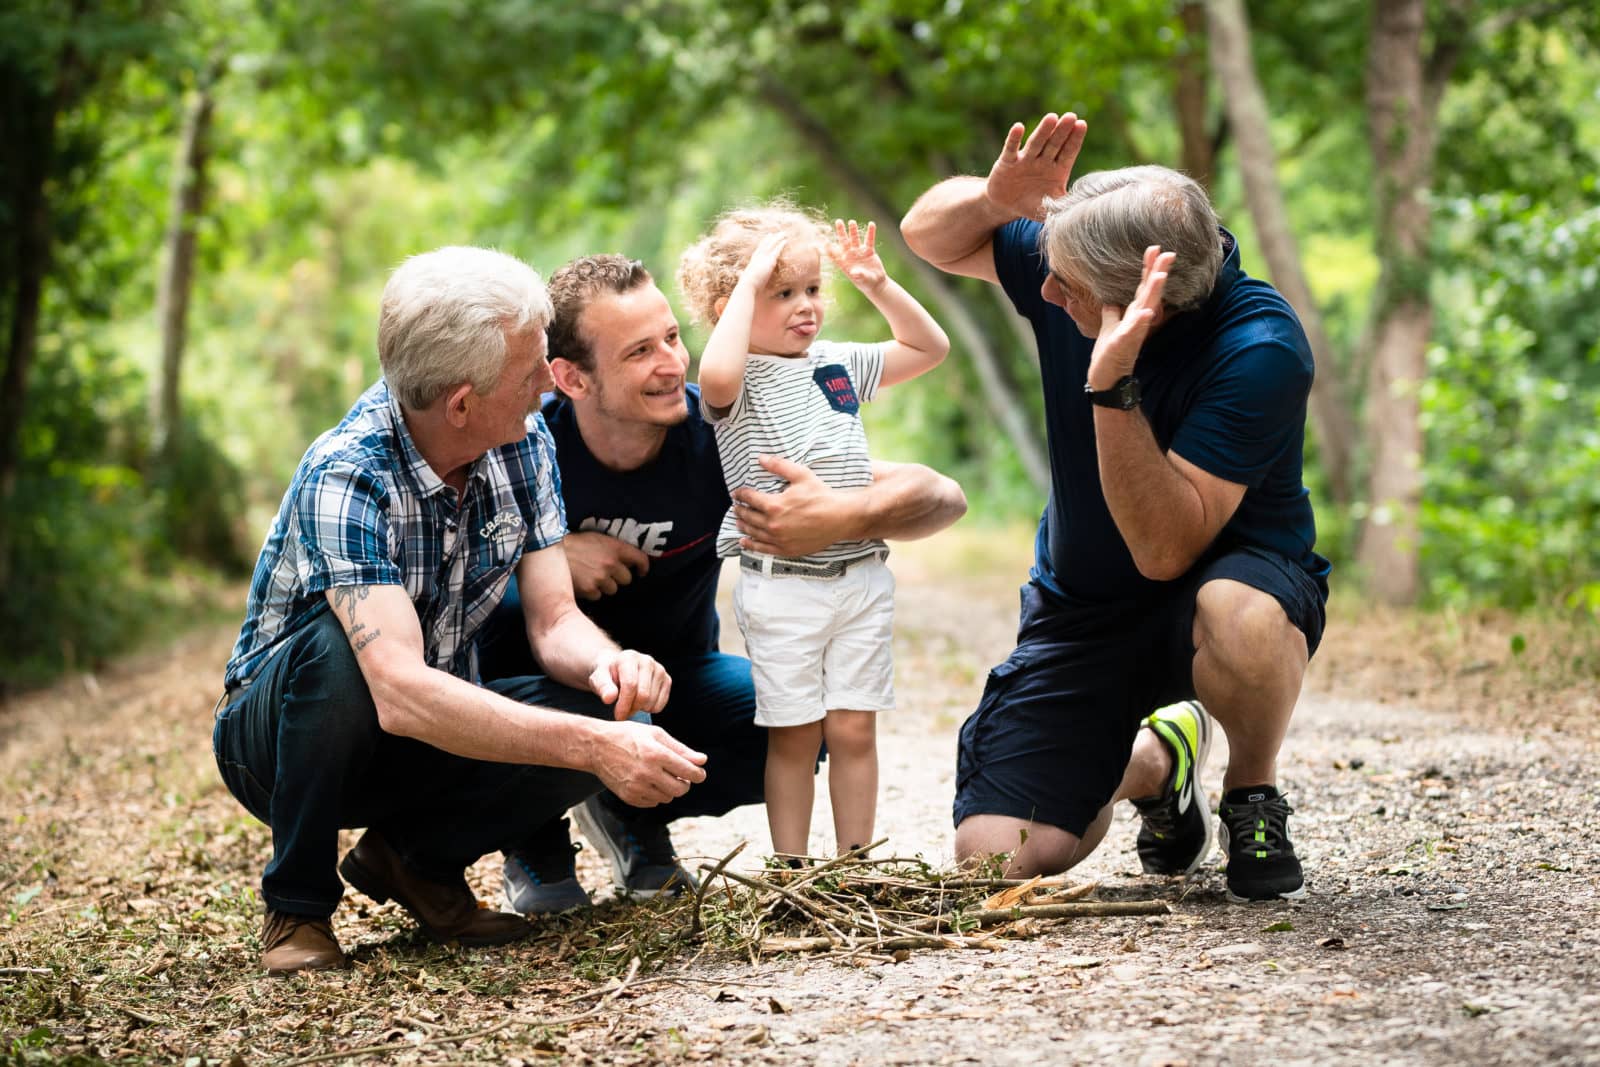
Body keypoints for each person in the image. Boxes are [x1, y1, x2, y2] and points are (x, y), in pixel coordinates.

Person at [214, 246, 707, 976]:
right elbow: (399, 689)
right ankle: (297, 906)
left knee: (608, 708)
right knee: (337, 646)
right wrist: (591, 752)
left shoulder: (521, 438)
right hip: (289, 737)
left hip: (423, 727)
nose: (549, 380)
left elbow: (553, 619)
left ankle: (415, 862)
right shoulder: (347, 473)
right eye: (531, 369)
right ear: (461, 402)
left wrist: (610, 666)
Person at [901, 113, 1330, 902]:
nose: (1046, 290)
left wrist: (1110, 383)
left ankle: (1252, 792)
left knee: (1235, 611)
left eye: (1067, 287)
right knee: (996, 857)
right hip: (1086, 607)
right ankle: (1160, 762)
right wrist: (998, 200)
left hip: (1223, 587)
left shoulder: (1260, 349)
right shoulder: (1085, 257)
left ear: (1148, 303)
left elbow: (1166, 550)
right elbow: (926, 234)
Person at [480, 252, 965, 907]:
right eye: (639, 352)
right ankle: (532, 832)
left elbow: (942, 495)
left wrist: (845, 512)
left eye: (673, 338)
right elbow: (443, 561)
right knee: (557, 686)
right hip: (540, 687)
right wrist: (549, 549)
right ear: (571, 378)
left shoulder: (721, 436)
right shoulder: (524, 444)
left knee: (796, 719)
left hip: (679, 677)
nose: (673, 364)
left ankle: (631, 815)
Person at [679, 203, 950, 862]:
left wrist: (877, 285)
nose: (805, 306)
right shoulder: (733, 378)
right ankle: (792, 870)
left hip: (859, 577)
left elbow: (928, 348)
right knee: (795, 734)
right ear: (730, 307)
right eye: (783, 292)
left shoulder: (836, 364)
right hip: (783, 589)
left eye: (811, 289)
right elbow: (711, 375)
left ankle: (855, 866)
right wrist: (747, 287)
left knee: (855, 728)